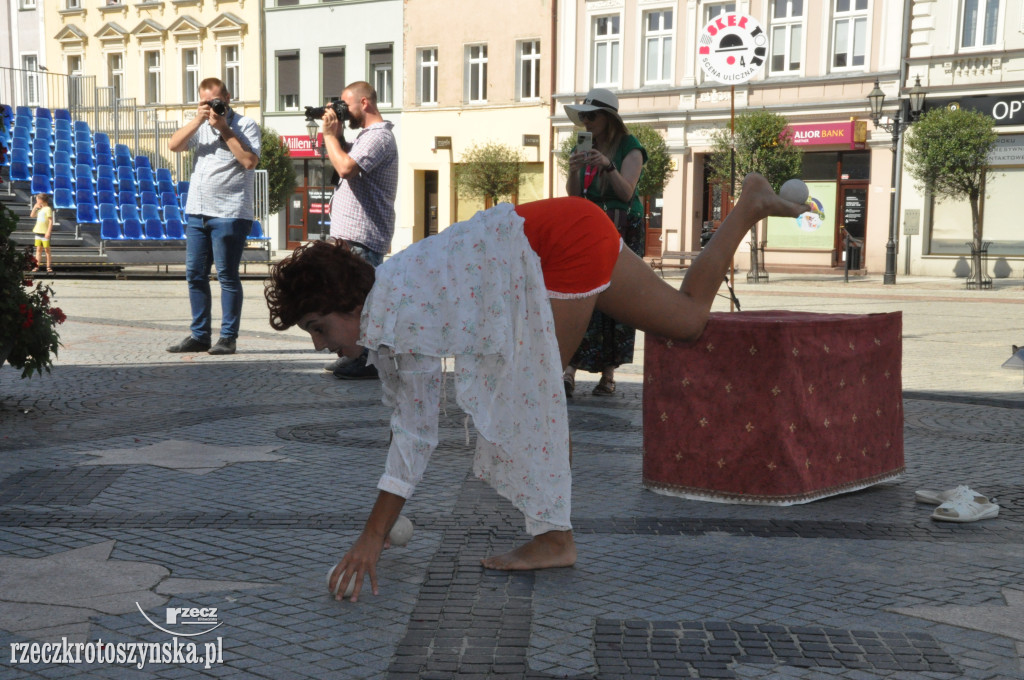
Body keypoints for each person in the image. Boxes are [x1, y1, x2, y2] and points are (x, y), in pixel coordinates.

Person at [264, 173, 809, 602]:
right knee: (688, 320)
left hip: (555, 249)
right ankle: (750, 205)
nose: (319, 345)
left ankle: (555, 538)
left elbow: (415, 433)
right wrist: (377, 531)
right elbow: (412, 428)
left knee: (536, 399)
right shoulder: (388, 309)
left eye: (317, 327)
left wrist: (370, 537)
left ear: (350, 306)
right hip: (567, 227)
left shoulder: (402, 310)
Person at [166, 77, 261, 356]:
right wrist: (198, 120)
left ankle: (228, 337)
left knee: (227, 276)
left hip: (230, 213)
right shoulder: (199, 124)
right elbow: (174, 146)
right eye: (205, 102)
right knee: (195, 275)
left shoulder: (245, 125)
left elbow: (248, 161)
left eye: (216, 101)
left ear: (228, 97)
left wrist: (224, 129)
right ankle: (200, 335)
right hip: (197, 211)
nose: (211, 107)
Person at [563, 88, 647, 397]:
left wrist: (607, 166)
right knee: (582, 293)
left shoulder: (630, 147)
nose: (584, 121)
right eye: (582, 116)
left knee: (616, 297)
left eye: (590, 116)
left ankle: (608, 375)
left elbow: (626, 193)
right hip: (594, 226)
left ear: (608, 118)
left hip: (623, 225)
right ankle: (570, 370)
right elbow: (575, 195)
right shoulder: (586, 146)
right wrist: (574, 170)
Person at [321, 80, 398, 380]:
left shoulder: (379, 137)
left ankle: (367, 360)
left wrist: (329, 136)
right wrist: (336, 135)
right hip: (352, 236)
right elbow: (345, 160)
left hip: (362, 237)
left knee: (360, 303)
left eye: (347, 105)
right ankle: (357, 355)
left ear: (364, 103)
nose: (344, 111)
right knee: (350, 300)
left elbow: (345, 168)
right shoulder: (367, 137)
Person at [29, 193, 53, 273]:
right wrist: (35, 207)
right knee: (38, 250)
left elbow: (50, 221)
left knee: (47, 250)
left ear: (41, 200)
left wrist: (48, 232)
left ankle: (48, 266)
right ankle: (36, 266)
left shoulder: (48, 209)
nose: (36, 201)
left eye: (37, 200)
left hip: (44, 232)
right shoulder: (40, 209)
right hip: (38, 231)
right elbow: (32, 215)